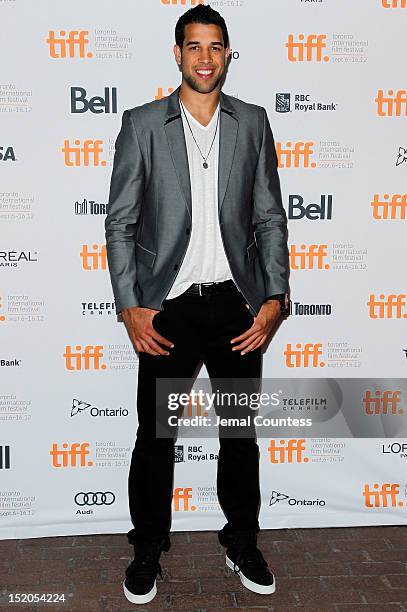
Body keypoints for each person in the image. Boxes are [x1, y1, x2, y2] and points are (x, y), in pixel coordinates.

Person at [105, 3, 290, 605]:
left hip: (238, 306)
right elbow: (121, 223)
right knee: (156, 437)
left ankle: (240, 541)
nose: (205, 58)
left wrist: (273, 295)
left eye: (215, 47)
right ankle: (148, 549)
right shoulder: (141, 125)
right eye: (194, 46)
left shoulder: (254, 123)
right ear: (177, 54)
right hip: (170, 309)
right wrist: (132, 305)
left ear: (228, 54)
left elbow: (268, 216)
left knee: (238, 432)